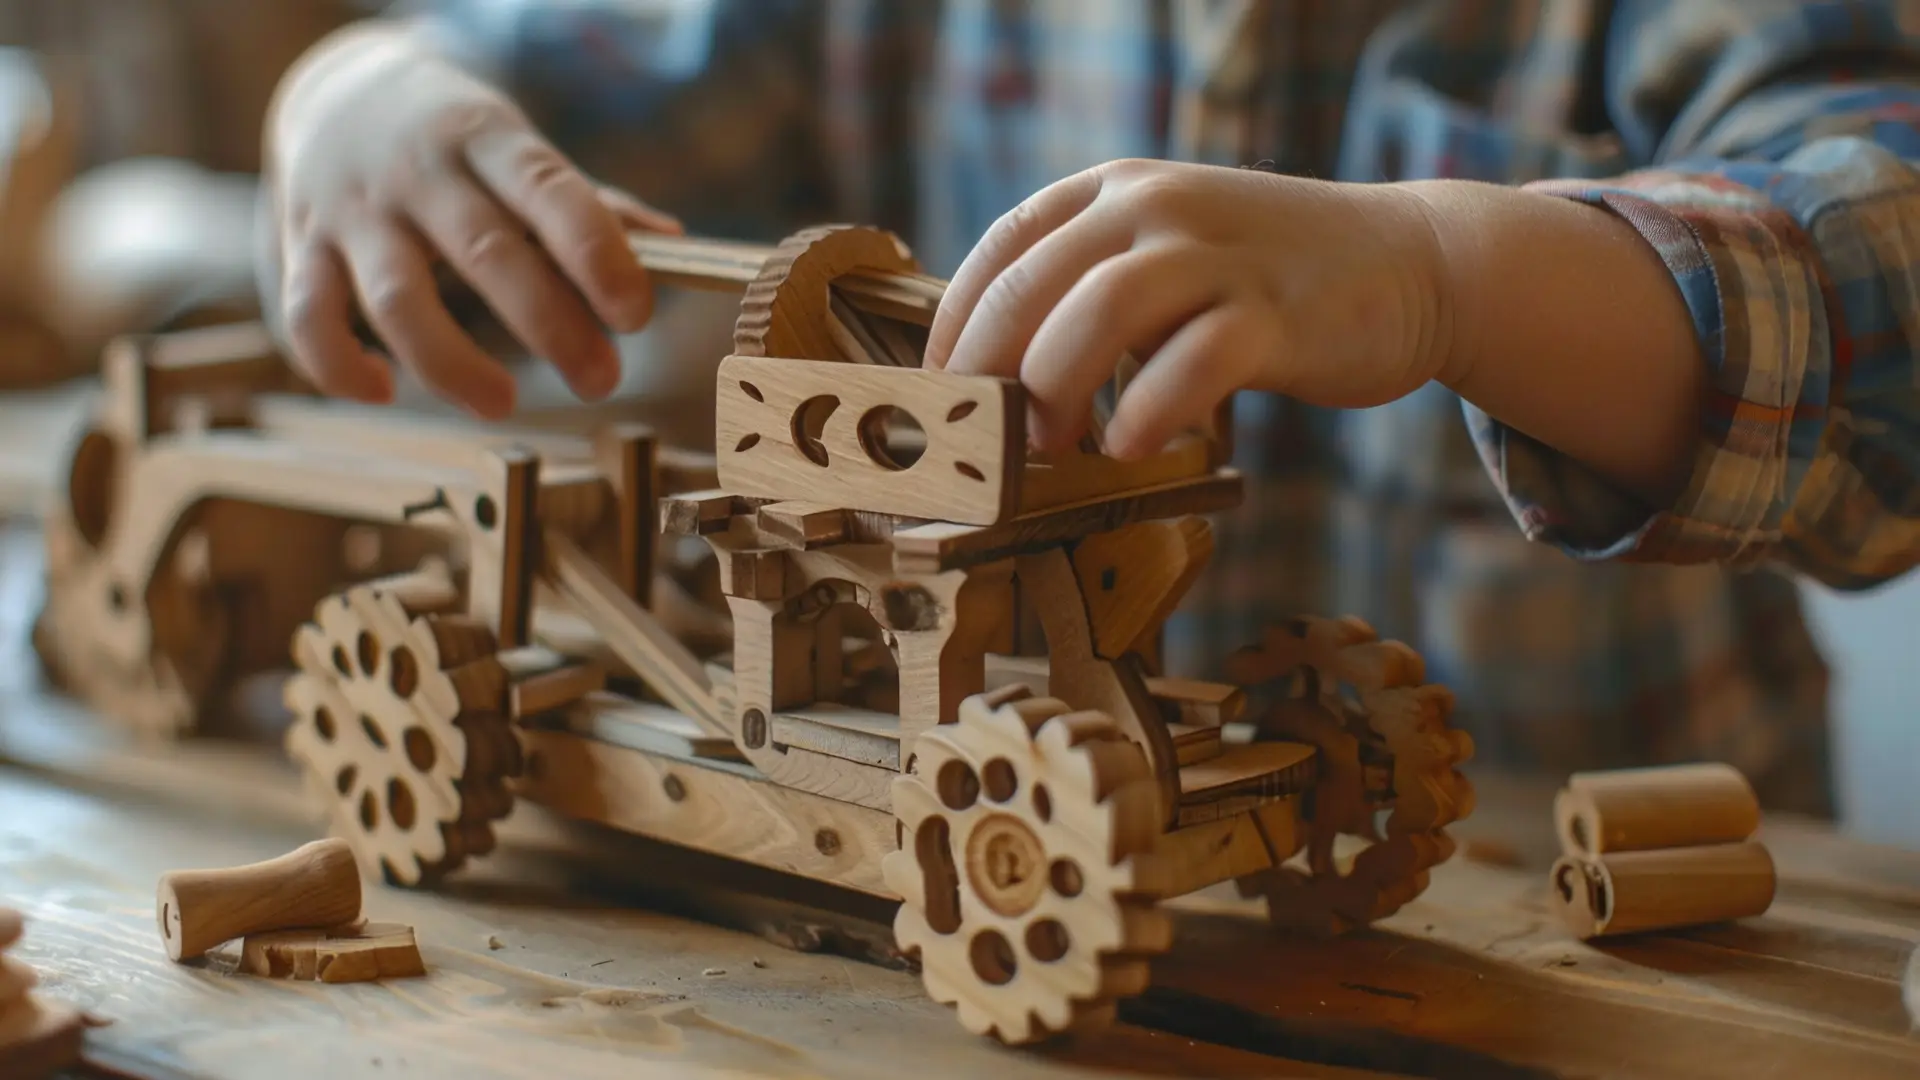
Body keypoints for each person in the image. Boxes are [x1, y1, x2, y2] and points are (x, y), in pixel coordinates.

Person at [254, 0, 1920, 815]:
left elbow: (1882, 253)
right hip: (1021, 893)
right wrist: (362, 88)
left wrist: (1449, 276)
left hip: (1589, 895)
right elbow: (561, 84)